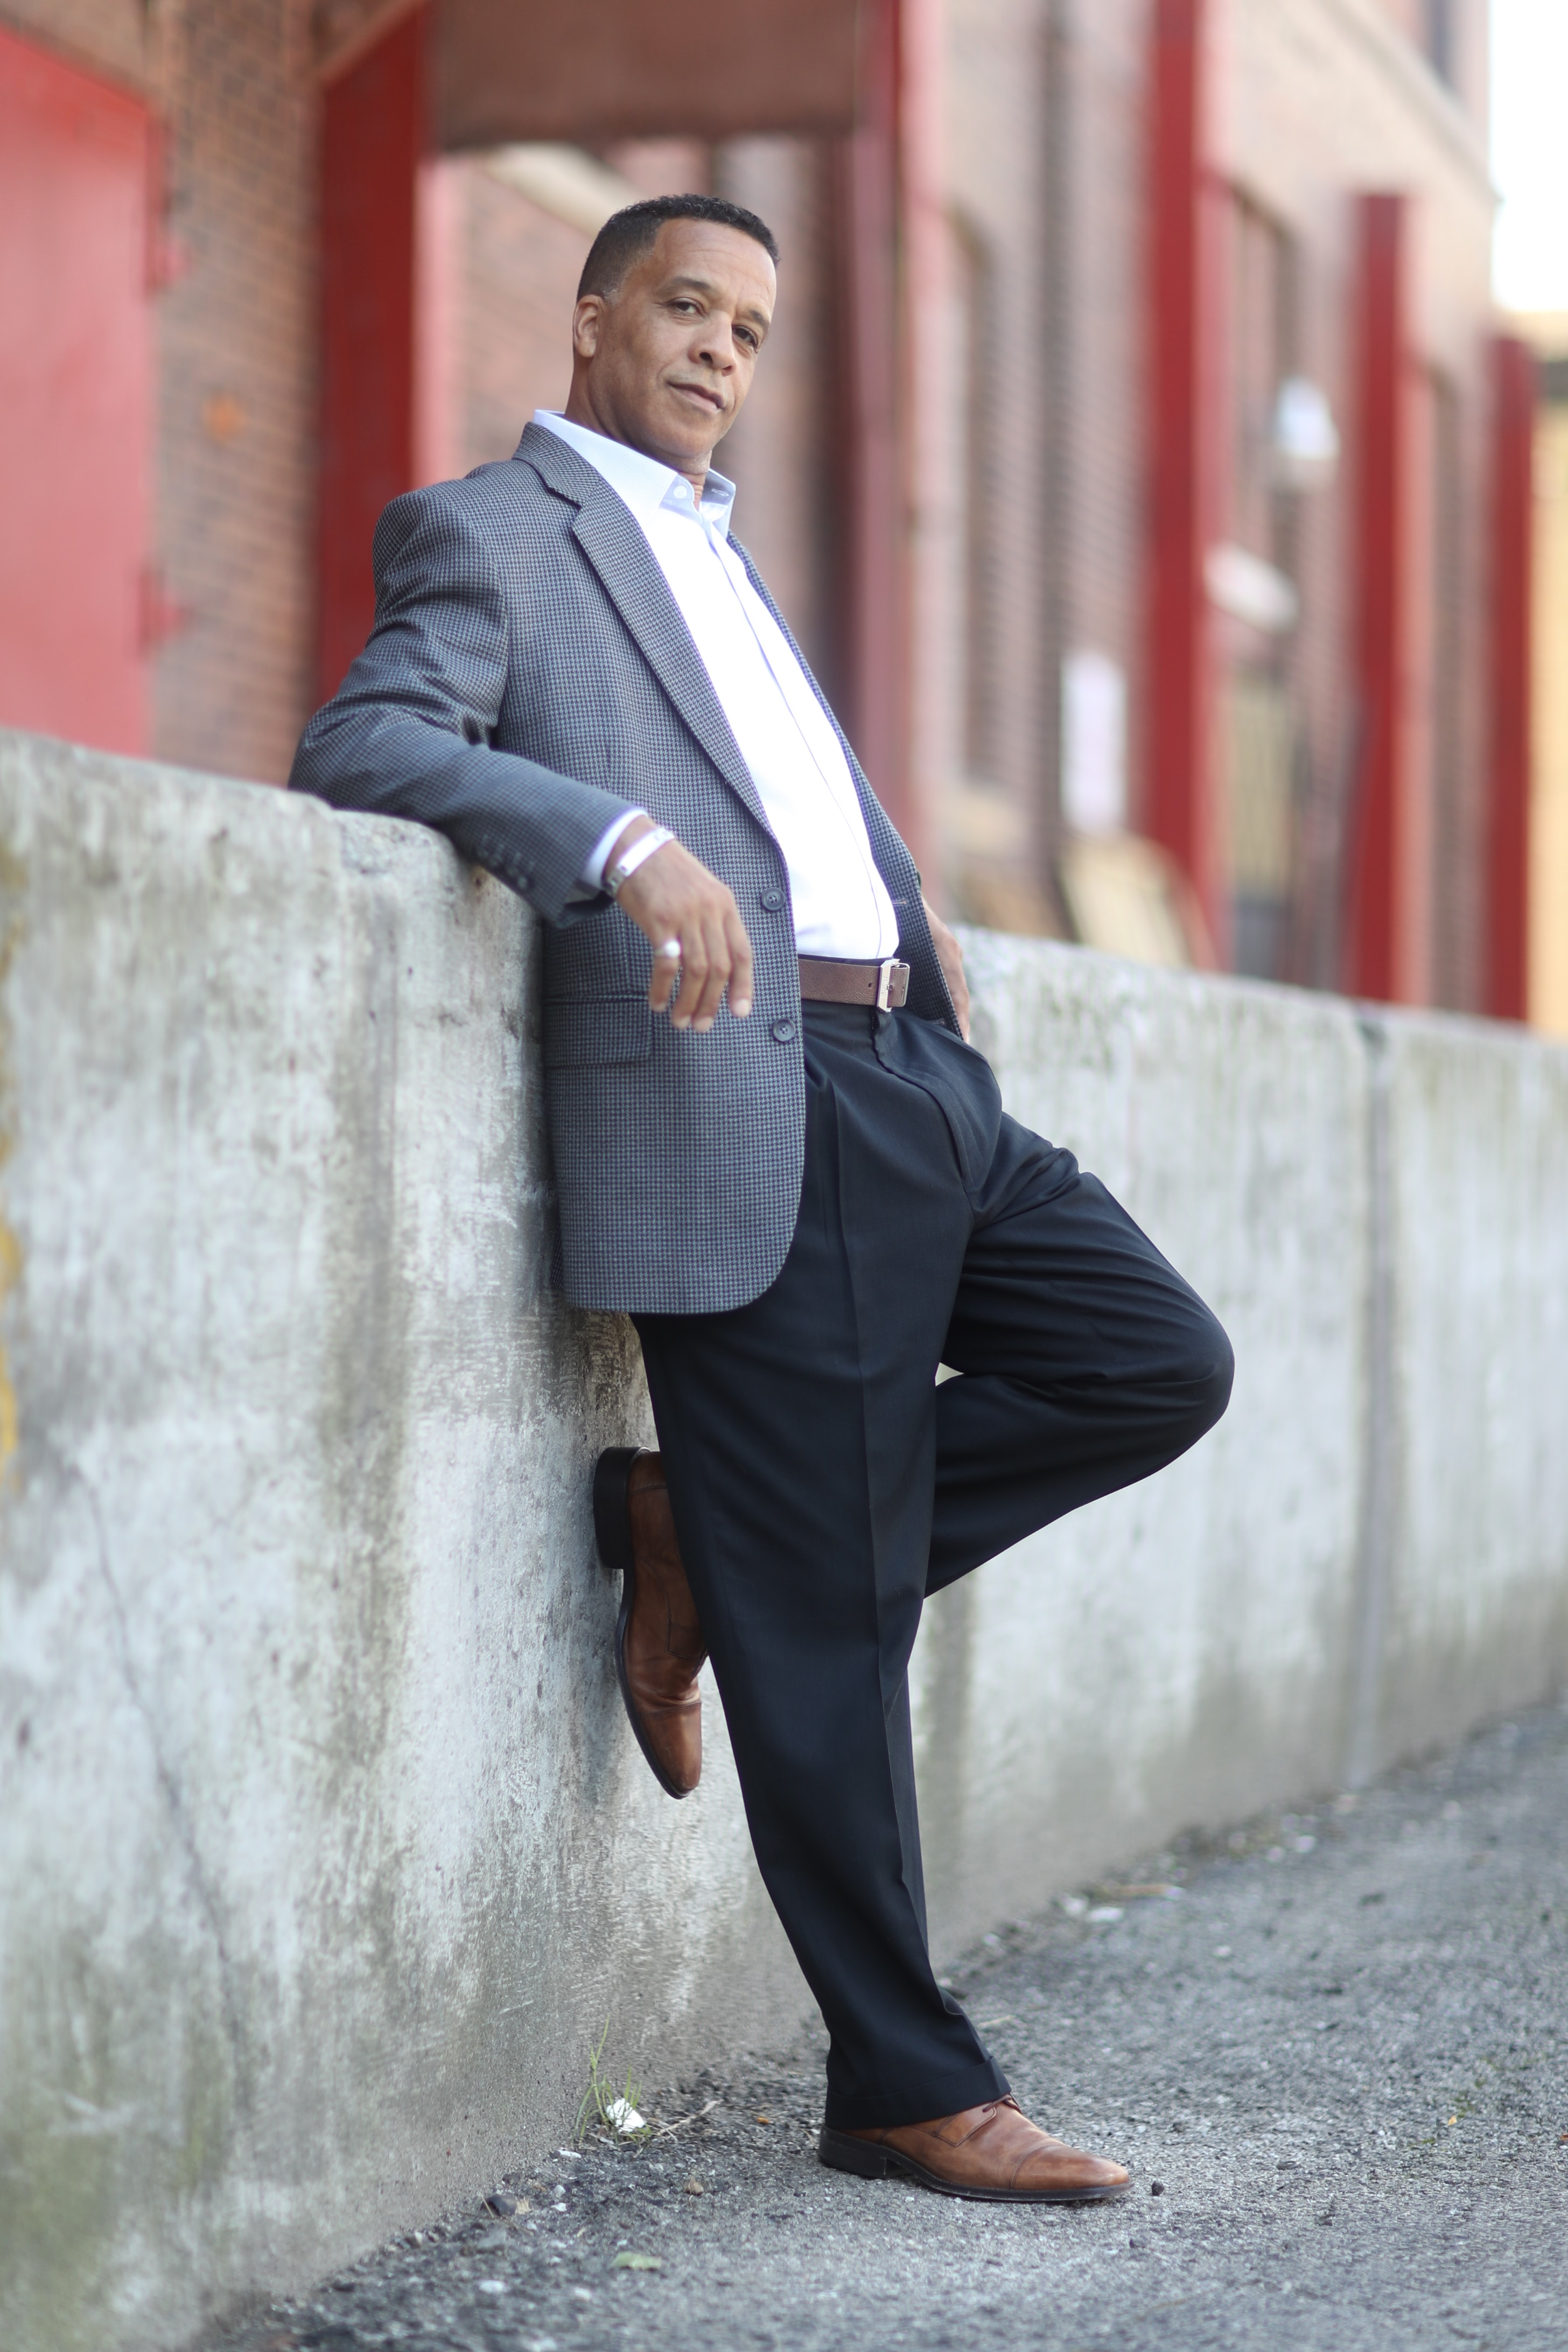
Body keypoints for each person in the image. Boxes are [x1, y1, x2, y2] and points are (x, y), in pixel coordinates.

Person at [291, 192, 1233, 2206]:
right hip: (737, 1093)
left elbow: (794, 795)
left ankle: (702, 1534)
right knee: (832, 1639)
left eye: (751, 327)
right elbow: (366, 742)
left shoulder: (725, 557)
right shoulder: (493, 533)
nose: (721, 348)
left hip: (908, 1076)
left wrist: (914, 923)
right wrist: (615, 840)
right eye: (686, 308)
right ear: (593, 316)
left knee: (1160, 1362)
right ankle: (907, 2080)